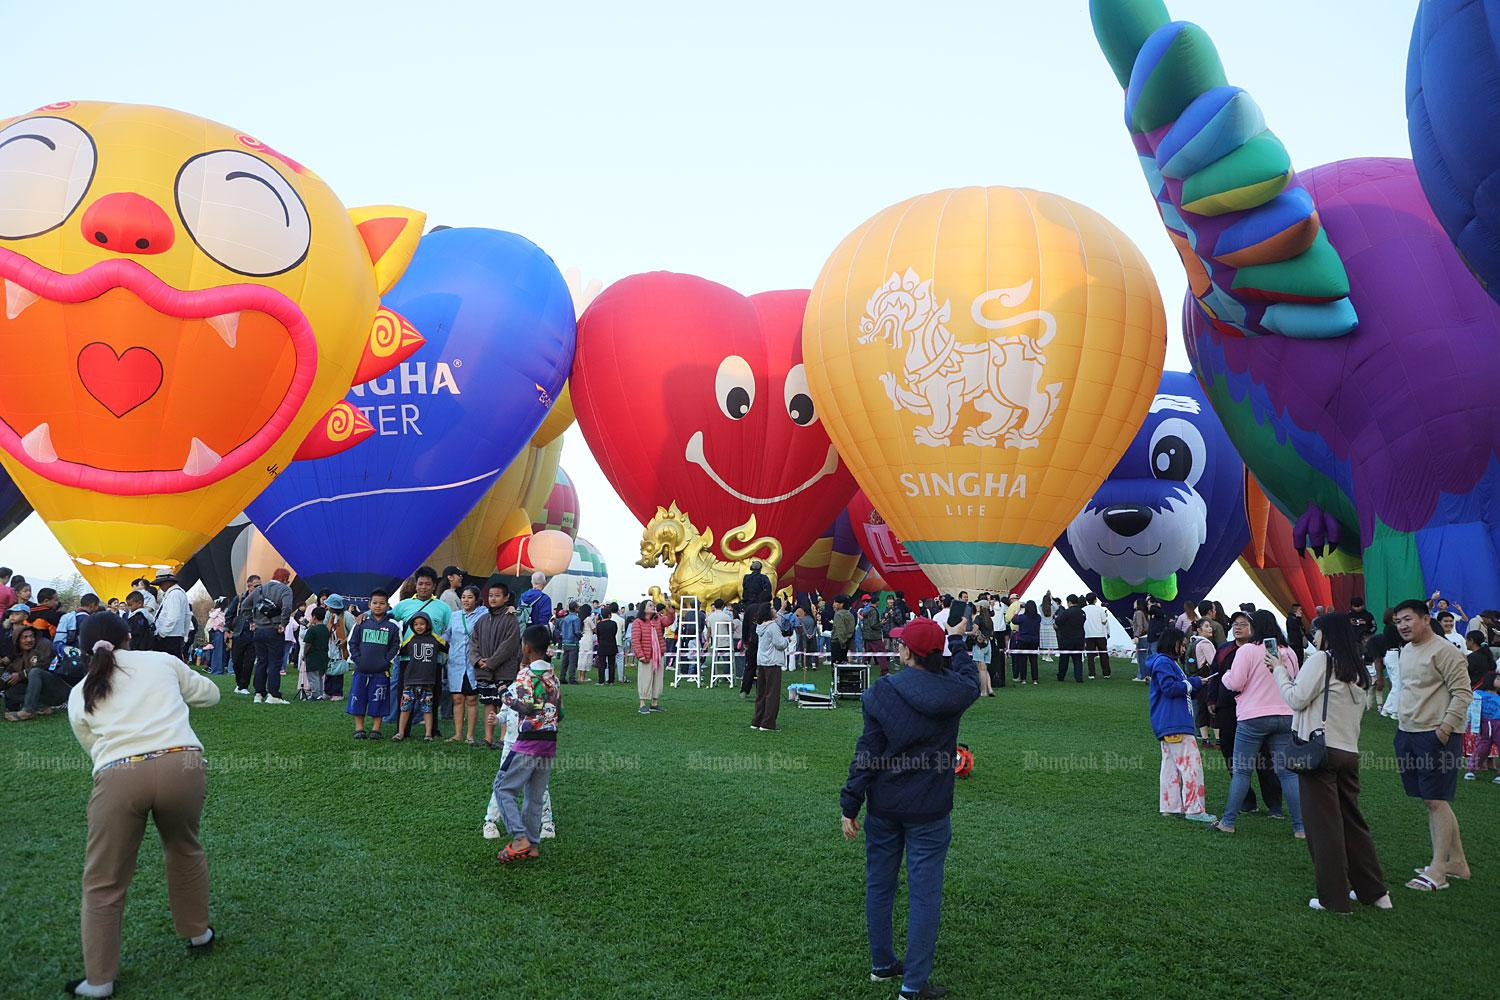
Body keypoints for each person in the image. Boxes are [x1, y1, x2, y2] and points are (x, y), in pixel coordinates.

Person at [64, 611, 220, 998]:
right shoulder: (162, 661)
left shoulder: (79, 691)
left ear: (83, 649)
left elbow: (93, 749)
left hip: (119, 774)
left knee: (103, 881)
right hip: (181, 764)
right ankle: (198, 933)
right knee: (184, 849)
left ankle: (99, 980)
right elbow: (211, 695)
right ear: (130, 636)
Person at [841, 616, 978, 1000]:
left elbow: (867, 753)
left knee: (879, 884)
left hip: (885, 805)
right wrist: (959, 643)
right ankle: (912, 985)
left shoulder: (882, 691)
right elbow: (968, 676)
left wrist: (850, 802)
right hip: (929, 810)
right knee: (924, 895)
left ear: (906, 652)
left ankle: (882, 965)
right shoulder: (955, 690)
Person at [1274, 613, 1390, 912]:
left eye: (1317, 631)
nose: (1313, 636)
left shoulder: (1322, 660)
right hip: (1348, 752)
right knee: (1353, 824)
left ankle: (1334, 898)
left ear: (1327, 634)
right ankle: (1374, 891)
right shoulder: (1357, 669)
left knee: (1323, 828)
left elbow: (1297, 699)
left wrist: (1278, 672)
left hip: (1320, 753)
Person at [1391, 599, 1473, 891]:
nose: (1402, 625)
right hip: (1408, 732)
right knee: (1432, 800)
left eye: (1408, 619)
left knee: (1436, 800)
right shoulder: (1407, 650)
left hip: (1436, 734)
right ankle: (1457, 863)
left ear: (1426, 619)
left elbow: (1463, 693)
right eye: (1398, 620)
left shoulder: (1445, 651)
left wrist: (1445, 729)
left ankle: (1438, 869)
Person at [1211, 610, 1304, 837]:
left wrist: (1225, 676)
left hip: (1253, 717)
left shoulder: (1248, 651)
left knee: (1242, 772)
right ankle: (1300, 827)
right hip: (1285, 715)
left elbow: (1235, 682)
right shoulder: (1289, 652)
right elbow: (1295, 680)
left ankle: (1228, 821)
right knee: (1288, 774)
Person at [493, 625, 563, 865]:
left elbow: (525, 706)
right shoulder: (553, 676)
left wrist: (504, 695)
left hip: (528, 742)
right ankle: (532, 844)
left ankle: (519, 837)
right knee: (535, 795)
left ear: (526, 647)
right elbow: (560, 713)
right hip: (549, 743)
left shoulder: (525, 675)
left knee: (503, 788)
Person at [1148, 627, 1216, 824]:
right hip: (1175, 722)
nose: (1185, 648)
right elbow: (1170, 688)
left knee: (1170, 766)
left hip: (1168, 723)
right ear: (1173, 643)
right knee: (1191, 766)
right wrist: (1193, 682)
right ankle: (1194, 809)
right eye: (1183, 644)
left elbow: (1177, 688)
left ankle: (1170, 806)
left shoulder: (1165, 662)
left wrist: (1193, 685)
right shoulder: (1165, 663)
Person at [387, 567, 453, 727]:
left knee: (433, 693)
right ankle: (402, 728)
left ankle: (432, 729)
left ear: (434, 585)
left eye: (427, 584)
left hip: (432, 659)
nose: (423, 587)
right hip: (406, 658)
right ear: (415, 584)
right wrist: (365, 616)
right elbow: (385, 617)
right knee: (403, 692)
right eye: (420, 583)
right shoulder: (404, 605)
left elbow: (451, 629)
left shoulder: (443, 607)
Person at [471, 580, 521, 749]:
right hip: (484, 671)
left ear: (506, 598)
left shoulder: (510, 620)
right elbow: (473, 642)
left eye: (497, 596)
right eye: (490, 595)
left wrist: (491, 662)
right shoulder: (482, 620)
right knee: (488, 703)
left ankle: (503, 738)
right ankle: (488, 738)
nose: (493, 599)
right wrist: (477, 660)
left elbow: (509, 645)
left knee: (505, 704)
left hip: (504, 671)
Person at [347, 590, 401, 739]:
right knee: (358, 698)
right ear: (369, 604)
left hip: (381, 672)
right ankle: (359, 728)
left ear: (388, 605)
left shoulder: (392, 626)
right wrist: (358, 659)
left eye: (382, 603)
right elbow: (352, 642)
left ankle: (376, 729)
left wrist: (386, 661)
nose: (378, 606)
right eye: (375, 603)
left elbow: (396, 646)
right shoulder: (361, 622)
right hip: (361, 670)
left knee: (379, 700)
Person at [394, 612, 445, 742]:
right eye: (415, 624)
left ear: (428, 625)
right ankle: (400, 733)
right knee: (405, 708)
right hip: (410, 680)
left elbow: (447, 647)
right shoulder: (410, 639)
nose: (419, 627)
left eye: (422, 624)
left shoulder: (435, 639)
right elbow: (399, 650)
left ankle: (428, 734)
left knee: (427, 709)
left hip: (428, 681)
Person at [443, 586, 483, 744]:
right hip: (455, 663)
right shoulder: (454, 616)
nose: (466, 600)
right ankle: (458, 733)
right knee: (457, 699)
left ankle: (470, 736)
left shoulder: (483, 614)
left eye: (470, 597)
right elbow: (447, 635)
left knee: (472, 699)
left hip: (472, 663)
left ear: (476, 599)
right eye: (464, 597)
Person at [248, 569, 294, 705]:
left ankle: (258, 693)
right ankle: (273, 694)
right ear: (285, 579)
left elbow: (245, 605)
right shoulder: (285, 590)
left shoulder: (260, 589)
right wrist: (283, 623)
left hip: (259, 631)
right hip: (274, 630)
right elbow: (287, 608)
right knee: (274, 663)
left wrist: (251, 621)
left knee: (261, 662)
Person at [2, 625, 64, 719]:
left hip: (56, 687)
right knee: (11, 692)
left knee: (35, 672)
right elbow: (8, 673)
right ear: (17, 640)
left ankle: (28, 711)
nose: (29, 640)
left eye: (31, 636)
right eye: (25, 637)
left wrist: (21, 674)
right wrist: (2, 680)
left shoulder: (44, 644)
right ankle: (43, 707)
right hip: (43, 694)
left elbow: (44, 664)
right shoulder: (19, 656)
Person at [751, 604, 790, 732]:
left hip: (762, 661)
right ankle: (767, 723)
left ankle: (757, 720)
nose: (775, 610)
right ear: (768, 612)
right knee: (772, 694)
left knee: (761, 693)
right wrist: (787, 640)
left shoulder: (760, 626)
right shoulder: (773, 626)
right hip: (772, 662)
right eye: (772, 609)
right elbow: (779, 644)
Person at [633, 602, 672, 714]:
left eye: (653, 605)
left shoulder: (658, 619)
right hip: (646, 656)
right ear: (643, 609)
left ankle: (654, 704)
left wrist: (669, 609)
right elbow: (635, 640)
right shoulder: (638, 622)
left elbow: (669, 620)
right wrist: (640, 655)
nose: (653, 607)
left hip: (658, 655)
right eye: (650, 605)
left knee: (658, 680)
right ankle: (642, 704)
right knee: (645, 679)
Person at [225, 575, 260, 695]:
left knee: (249, 661)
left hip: (254, 634)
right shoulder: (239, 598)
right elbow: (229, 614)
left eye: (260, 585)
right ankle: (239, 683)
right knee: (236, 660)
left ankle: (244, 686)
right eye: (256, 585)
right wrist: (227, 629)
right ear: (249, 586)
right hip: (239, 633)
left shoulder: (261, 599)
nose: (258, 587)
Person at [1463, 670, 1500, 781]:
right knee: (1482, 748)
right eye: (1498, 679)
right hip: (1485, 725)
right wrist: (1465, 724)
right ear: (1490, 680)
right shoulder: (1478, 694)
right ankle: (1471, 770)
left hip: (1498, 724)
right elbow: (1469, 711)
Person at [152, 572, 191, 660]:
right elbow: (187, 615)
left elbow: (173, 617)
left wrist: (161, 633)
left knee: (166, 664)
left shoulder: (174, 594)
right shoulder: (176, 593)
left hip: (169, 636)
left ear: (168, 582)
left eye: (161, 584)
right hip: (173, 635)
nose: (160, 587)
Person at [299, 606, 330, 702]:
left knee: (313, 677)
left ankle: (315, 695)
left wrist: (304, 654)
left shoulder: (312, 630)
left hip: (313, 656)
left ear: (314, 617)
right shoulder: (325, 629)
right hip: (323, 656)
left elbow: (307, 644)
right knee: (320, 676)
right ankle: (320, 693)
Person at [1054, 595, 1086, 683]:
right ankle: (1079, 678)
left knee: (1064, 659)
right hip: (1079, 639)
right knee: (1078, 660)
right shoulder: (1082, 612)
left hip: (1066, 639)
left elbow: (1058, 622)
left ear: (1069, 602)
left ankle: (1061, 676)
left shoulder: (1067, 612)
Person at [1010, 600, 1041, 685]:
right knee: (1033, 660)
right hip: (1034, 641)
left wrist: (1017, 611)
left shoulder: (1022, 617)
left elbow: (1013, 620)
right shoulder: (1038, 617)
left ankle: (1023, 679)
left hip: (1023, 640)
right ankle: (1035, 679)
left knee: (1023, 660)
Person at [1082, 594, 1110, 680]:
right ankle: (1106, 673)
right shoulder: (1100, 609)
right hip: (1100, 634)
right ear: (1095, 600)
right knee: (1103, 654)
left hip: (1088, 635)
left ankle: (1091, 674)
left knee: (1090, 655)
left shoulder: (1083, 610)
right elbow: (1104, 622)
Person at [596, 604, 621, 685]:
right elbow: (614, 633)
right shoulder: (613, 623)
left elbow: (598, 635)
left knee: (602, 664)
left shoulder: (599, 624)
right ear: (609, 614)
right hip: (612, 645)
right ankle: (611, 681)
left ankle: (601, 681)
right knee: (611, 664)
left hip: (602, 645)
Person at [557, 602, 582, 683]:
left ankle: (562, 677)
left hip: (565, 642)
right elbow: (577, 631)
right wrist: (580, 636)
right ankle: (572, 678)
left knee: (565, 662)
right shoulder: (576, 619)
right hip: (573, 642)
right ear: (575, 608)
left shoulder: (565, 618)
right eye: (578, 607)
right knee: (573, 662)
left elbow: (561, 628)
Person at [831, 595, 857, 664]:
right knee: (843, 662)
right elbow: (852, 628)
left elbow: (840, 629)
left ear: (841, 604)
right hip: (847, 641)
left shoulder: (838, 614)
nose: (833, 604)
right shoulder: (850, 614)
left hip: (838, 642)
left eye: (835, 602)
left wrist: (842, 643)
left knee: (836, 665)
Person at [1131, 598, 1151, 681]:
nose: (1134, 603)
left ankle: (1142, 676)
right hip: (1145, 636)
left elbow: (1139, 625)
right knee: (1144, 657)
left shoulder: (1138, 613)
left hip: (1142, 637)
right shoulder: (1144, 613)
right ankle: (1144, 675)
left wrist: (1136, 636)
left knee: (1141, 657)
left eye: (1135, 602)